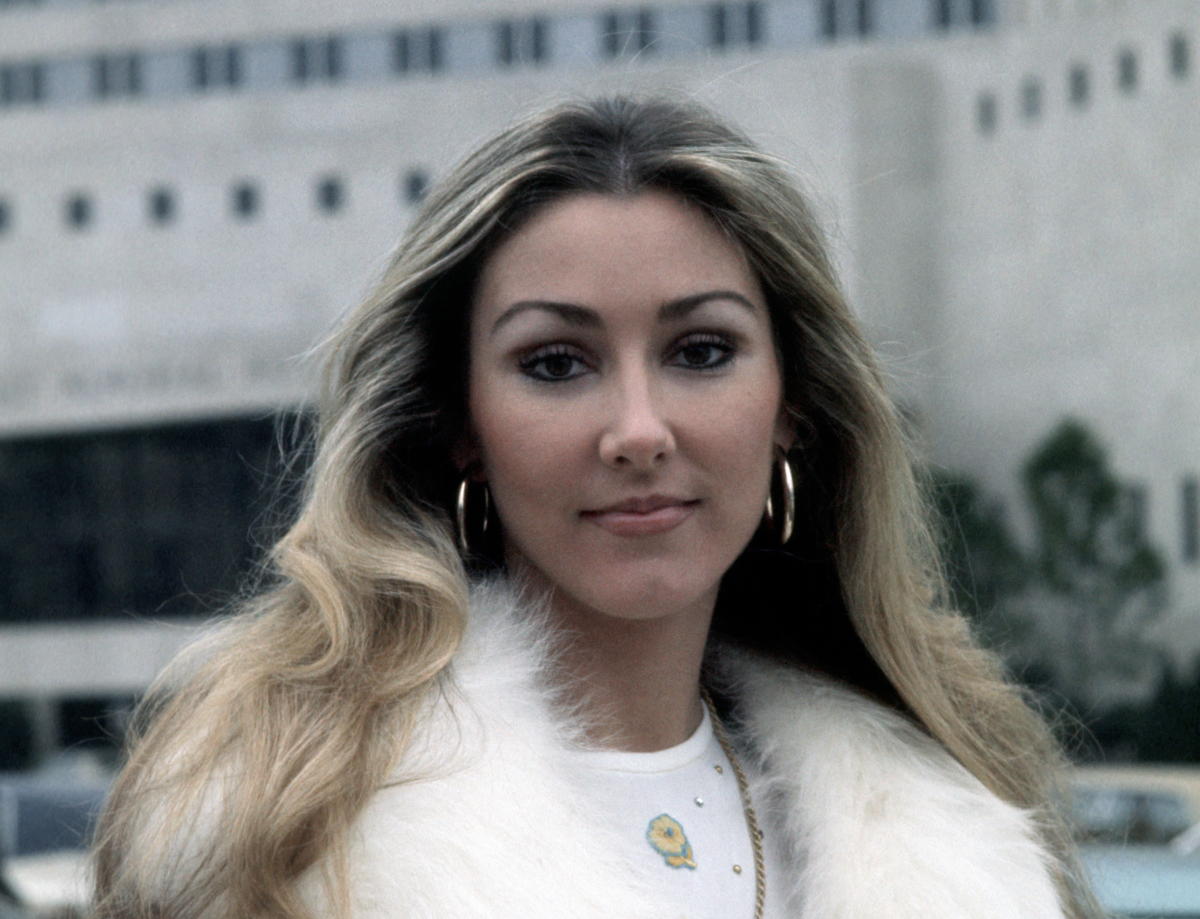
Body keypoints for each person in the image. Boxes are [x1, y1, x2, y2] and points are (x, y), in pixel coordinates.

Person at [90, 97, 1101, 919]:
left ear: (792, 404)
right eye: (555, 363)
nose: (638, 430)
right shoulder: (278, 834)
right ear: (462, 425)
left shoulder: (961, 827)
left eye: (700, 351)